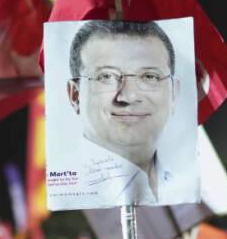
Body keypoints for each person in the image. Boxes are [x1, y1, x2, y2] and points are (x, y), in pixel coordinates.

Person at [65, 20, 192, 206]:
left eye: (149, 76)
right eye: (106, 76)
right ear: (75, 95)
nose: (129, 96)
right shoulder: (66, 205)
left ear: (173, 93)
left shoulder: (186, 184)